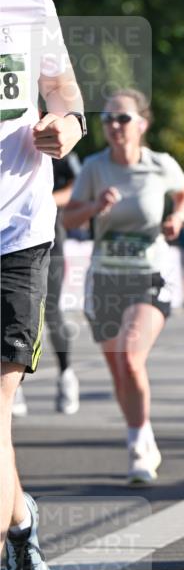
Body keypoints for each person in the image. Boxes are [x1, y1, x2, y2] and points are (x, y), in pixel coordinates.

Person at [1, 0, 85, 570]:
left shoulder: (27, 1)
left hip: (17, 230)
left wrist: (69, 123)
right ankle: (21, 523)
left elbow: (60, 86)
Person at [62, 89, 184, 485]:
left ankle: (137, 448)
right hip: (104, 277)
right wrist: (94, 207)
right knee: (119, 370)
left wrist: (178, 218)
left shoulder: (160, 164)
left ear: (142, 123)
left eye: (123, 118)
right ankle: (143, 432)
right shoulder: (93, 167)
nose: (115, 126)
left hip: (148, 275)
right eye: (108, 119)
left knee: (131, 355)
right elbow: (69, 219)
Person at [14, 153, 82, 418]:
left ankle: (66, 373)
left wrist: (44, 200)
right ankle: (13, 385)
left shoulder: (59, 145)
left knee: (50, 312)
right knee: (10, 312)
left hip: (48, 241)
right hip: (9, 240)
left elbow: (77, 188)